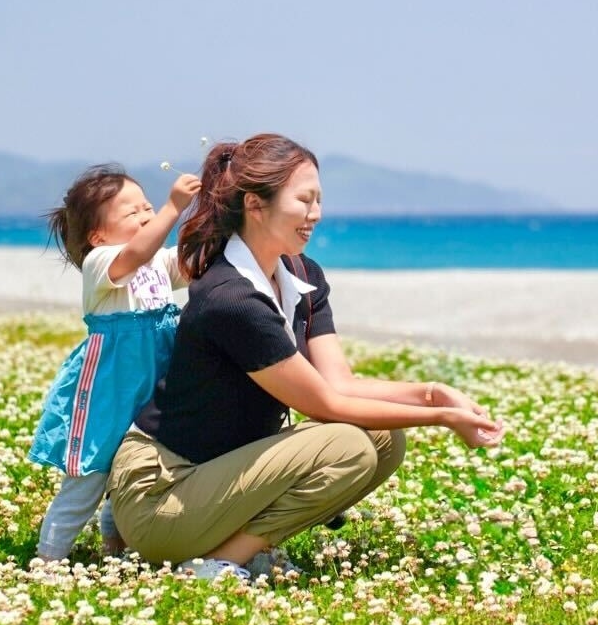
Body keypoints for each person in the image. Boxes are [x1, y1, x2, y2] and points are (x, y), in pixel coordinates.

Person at [105, 134, 505, 581]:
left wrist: (432, 395)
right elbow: (324, 406)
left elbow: (341, 385)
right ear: (256, 205)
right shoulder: (232, 299)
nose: (315, 214)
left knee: (383, 440)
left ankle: (234, 547)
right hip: (163, 495)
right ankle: (219, 564)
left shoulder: (302, 273)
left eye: (319, 200)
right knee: (350, 445)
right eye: (304, 200)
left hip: (217, 479)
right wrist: (445, 419)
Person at [28, 163, 201, 562]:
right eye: (133, 212)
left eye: (148, 207)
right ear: (98, 235)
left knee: (132, 467)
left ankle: (115, 539)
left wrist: (215, 214)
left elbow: (194, 262)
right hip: (108, 388)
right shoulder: (102, 261)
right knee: (90, 476)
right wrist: (173, 209)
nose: (147, 216)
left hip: (154, 384)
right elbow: (136, 253)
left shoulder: (157, 262)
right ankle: (48, 559)